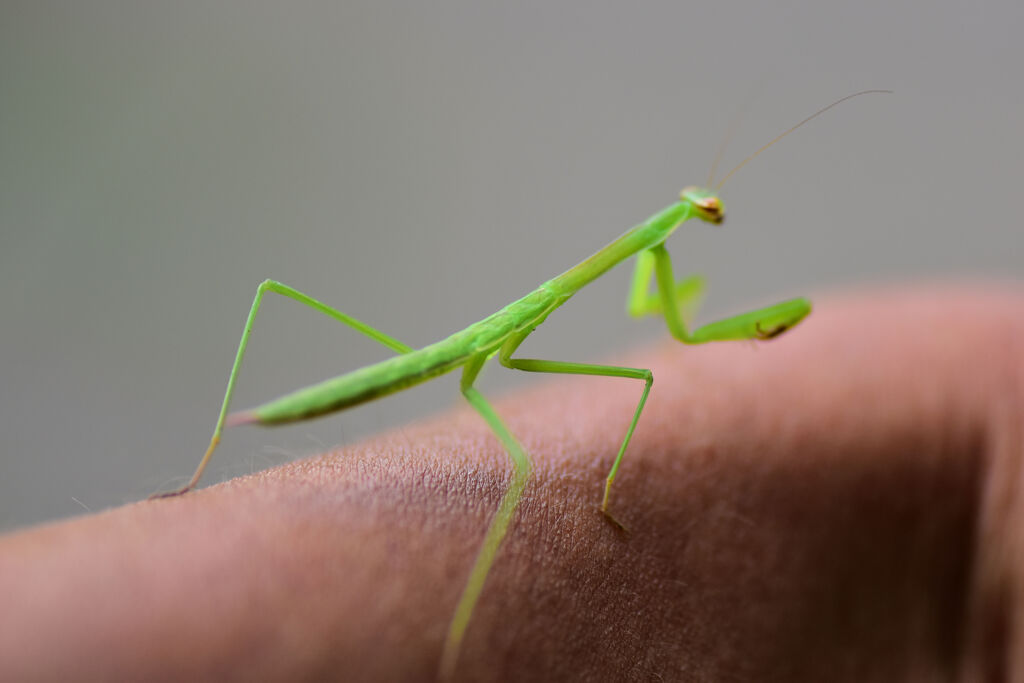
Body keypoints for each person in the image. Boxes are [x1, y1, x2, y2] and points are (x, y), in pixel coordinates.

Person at [0, 285, 1019, 681]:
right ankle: (449, 646)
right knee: (538, 452)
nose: (707, 219)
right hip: (408, 362)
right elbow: (673, 336)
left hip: (453, 358)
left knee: (626, 382)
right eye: (701, 211)